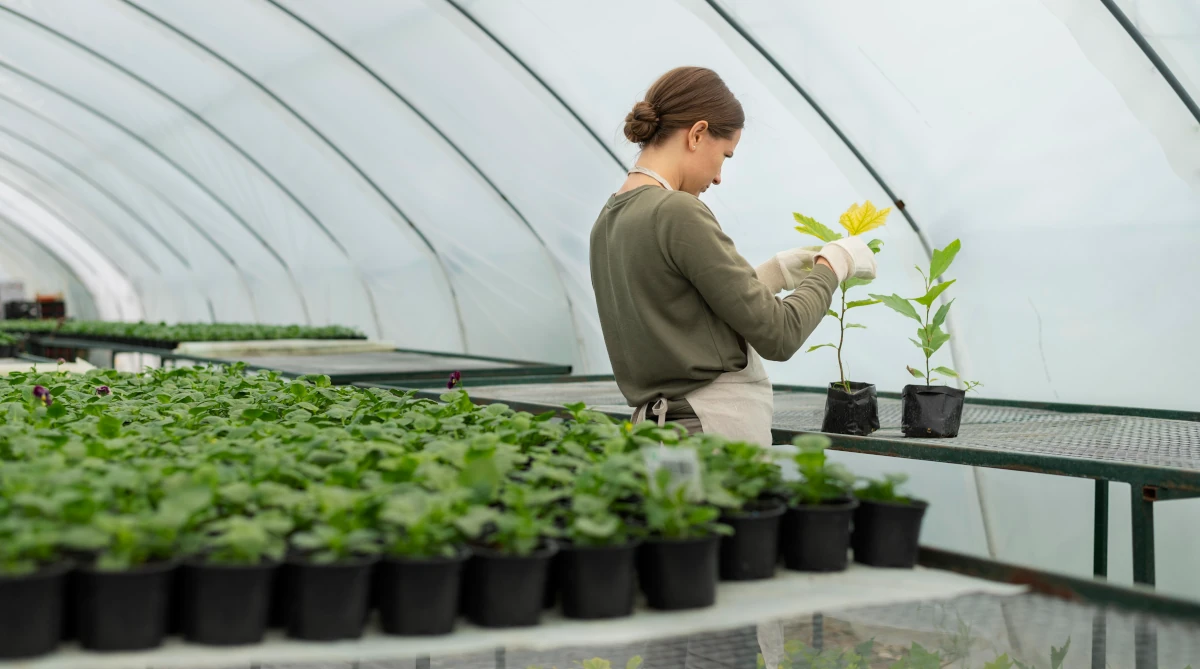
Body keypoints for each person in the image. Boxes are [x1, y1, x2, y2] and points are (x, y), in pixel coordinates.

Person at [590, 66, 877, 447]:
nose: (720, 177)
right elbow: (779, 334)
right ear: (697, 134)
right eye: (725, 155)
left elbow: (681, 314)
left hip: (656, 433)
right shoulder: (676, 210)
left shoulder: (608, 220)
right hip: (712, 435)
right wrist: (833, 265)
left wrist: (773, 274)